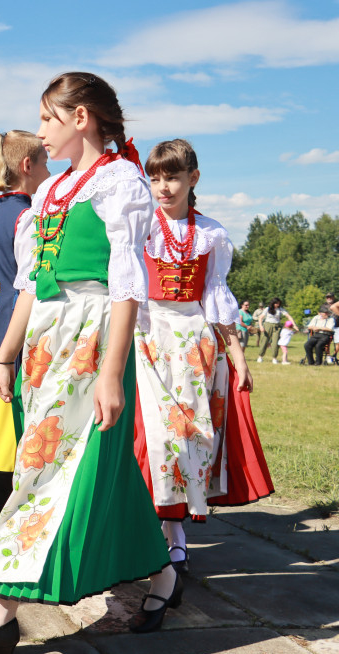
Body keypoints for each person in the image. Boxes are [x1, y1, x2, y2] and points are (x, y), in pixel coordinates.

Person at [0, 73, 169, 654]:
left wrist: (111, 371)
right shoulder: (54, 191)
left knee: (39, 472)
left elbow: (127, 282)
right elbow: (32, 281)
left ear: (81, 117)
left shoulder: (120, 182)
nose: (40, 132)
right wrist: (8, 350)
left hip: (92, 335)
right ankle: (161, 577)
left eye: (47, 119)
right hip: (46, 342)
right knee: (91, 467)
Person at [133, 139, 257, 588]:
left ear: (193, 179)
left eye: (172, 177)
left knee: (189, 440)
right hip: (147, 335)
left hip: (195, 343)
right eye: (155, 177)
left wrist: (238, 356)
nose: (162, 187)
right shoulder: (139, 227)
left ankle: (175, 532)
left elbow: (215, 299)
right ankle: (154, 531)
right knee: (157, 436)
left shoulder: (211, 233)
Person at [0, 131, 50, 557]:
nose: (50, 171)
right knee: (7, 438)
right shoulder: (26, 215)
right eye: (45, 163)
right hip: (10, 334)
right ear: (27, 167)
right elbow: (28, 285)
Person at [255, 298, 295, 363]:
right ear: (273, 303)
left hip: (277, 326)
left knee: (275, 342)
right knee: (264, 341)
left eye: (279, 303)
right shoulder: (267, 309)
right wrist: (261, 326)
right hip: (268, 325)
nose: (278, 305)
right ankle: (260, 356)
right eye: (276, 303)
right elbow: (260, 318)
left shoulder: (280, 309)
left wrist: (294, 324)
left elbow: (288, 316)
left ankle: (274, 358)